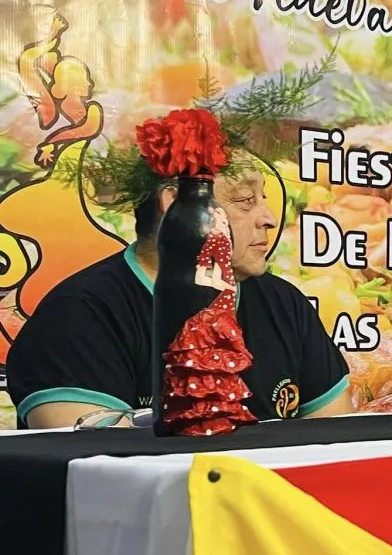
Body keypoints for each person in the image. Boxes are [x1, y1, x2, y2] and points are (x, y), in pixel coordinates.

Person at [7, 165, 354, 429]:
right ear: (177, 205)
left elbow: (335, 444)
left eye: (263, 200)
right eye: (246, 201)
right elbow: (104, 473)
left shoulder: (283, 303)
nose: (268, 218)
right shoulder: (80, 316)